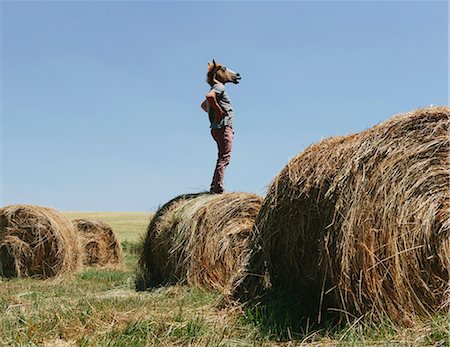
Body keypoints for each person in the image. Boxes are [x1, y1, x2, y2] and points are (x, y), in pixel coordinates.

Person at [201, 60, 241, 194]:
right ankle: (217, 188)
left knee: (221, 157)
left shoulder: (215, 88)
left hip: (216, 128)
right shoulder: (219, 87)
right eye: (224, 70)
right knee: (224, 158)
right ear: (219, 73)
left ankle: (215, 185)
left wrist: (213, 112)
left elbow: (203, 105)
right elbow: (209, 97)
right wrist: (218, 112)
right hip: (224, 127)